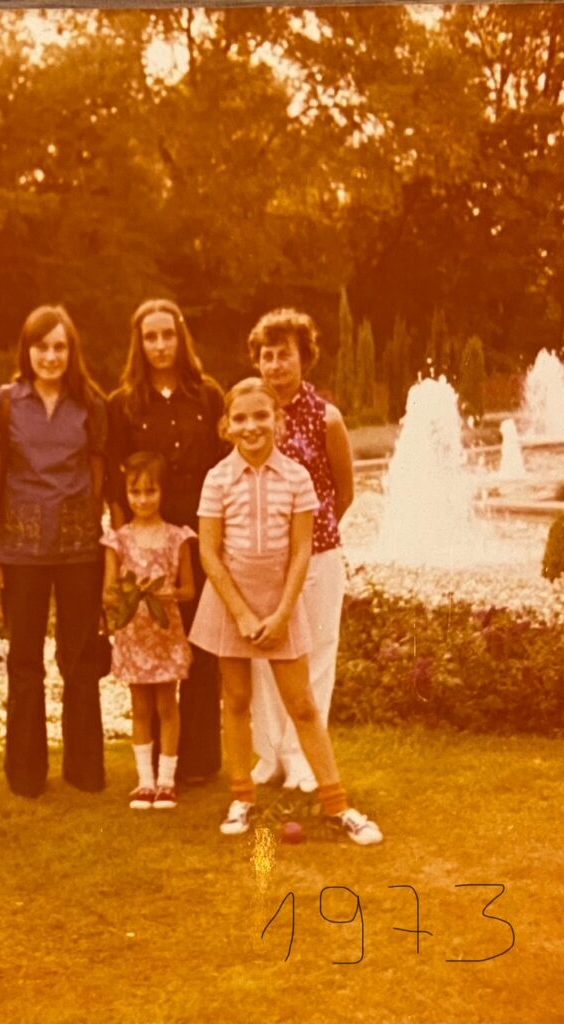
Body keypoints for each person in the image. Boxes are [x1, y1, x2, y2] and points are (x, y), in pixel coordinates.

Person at [189, 378, 382, 843]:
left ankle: (338, 805)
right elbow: (209, 553)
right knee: (237, 700)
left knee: (303, 705)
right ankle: (242, 798)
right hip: (231, 603)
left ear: (278, 420)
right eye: (240, 418)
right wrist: (241, 613)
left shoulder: (297, 478)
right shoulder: (217, 479)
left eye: (261, 415)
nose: (251, 426)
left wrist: (280, 614)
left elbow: (301, 552)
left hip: (281, 605)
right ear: (225, 426)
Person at [0, 305, 107, 798]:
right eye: (42, 347)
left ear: (71, 351)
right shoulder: (3, 403)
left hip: (79, 550)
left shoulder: (90, 404)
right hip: (21, 551)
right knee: (24, 662)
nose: (51, 356)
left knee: (80, 660)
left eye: (60, 347)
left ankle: (84, 769)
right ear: (26, 350)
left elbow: (97, 474)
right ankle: (26, 773)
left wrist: (99, 537)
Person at [106, 298, 225, 785]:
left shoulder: (208, 395)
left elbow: (223, 467)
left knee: (200, 647)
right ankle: (155, 764)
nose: (159, 345)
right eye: (150, 337)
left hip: (199, 539)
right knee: (153, 652)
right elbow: (115, 487)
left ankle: (197, 761)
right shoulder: (123, 404)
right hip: (146, 547)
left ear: (181, 338)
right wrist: (123, 553)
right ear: (139, 343)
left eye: (167, 335)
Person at [247, 309, 355, 792]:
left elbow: (344, 492)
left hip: (318, 556)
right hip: (263, 558)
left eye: (284, 355)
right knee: (263, 655)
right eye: (267, 356)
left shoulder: (326, 418)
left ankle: (304, 758)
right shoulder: (251, 416)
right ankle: (270, 754)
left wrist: (309, 538)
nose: (275, 365)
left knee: (316, 654)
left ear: (303, 357)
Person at [101, 452, 196, 811]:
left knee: (167, 705)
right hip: (134, 636)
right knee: (140, 707)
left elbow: (189, 590)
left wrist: (169, 593)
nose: (142, 499)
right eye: (135, 492)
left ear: (163, 492)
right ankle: (145, 781)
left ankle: (167, 782)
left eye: (150, 491)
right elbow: (108, 593)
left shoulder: (177, 538)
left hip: (165, 635)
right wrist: (127, 594)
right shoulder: (119, 540)